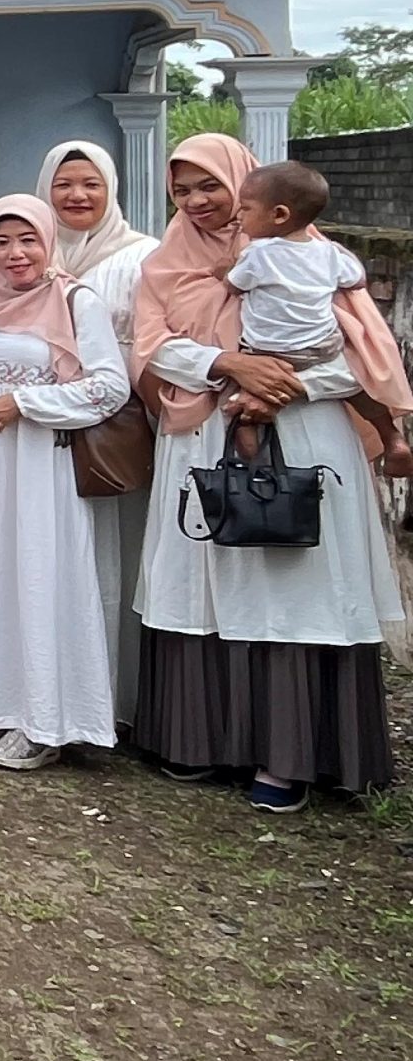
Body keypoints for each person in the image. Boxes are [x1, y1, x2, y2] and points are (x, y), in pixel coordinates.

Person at [133, 134, 412, 810]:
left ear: (250, 191)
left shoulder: (313, 260)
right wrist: (226, 364)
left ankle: (290, 757)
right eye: (183, 189)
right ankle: (201, 742)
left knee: (293, 587)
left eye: (211, 187)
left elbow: (365, 355)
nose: (198, 203)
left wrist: (289, 386)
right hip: (203, 438)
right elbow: (149, 348)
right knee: (206, 583)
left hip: (307, 442)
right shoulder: (166, 266)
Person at [0, 196, 129, 771]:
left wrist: (28, 403)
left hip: (39, 467)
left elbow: (111, 388)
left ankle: (46, 721)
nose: (15, 254)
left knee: (38, 579)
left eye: (27, 240)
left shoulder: (76, 302)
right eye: (2, 243)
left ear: (48, 241)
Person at [35, 138, 161, 731]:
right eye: (63, 185)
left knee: (113, 557)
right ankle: (50, 687)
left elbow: (154, 343)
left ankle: (116, 700)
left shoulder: (140, 257)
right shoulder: (26, 249)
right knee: (53, 561)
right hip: (39, 438)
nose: (76, 195)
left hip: (112, 431)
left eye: (90, 184)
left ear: (112, 189)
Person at [224, 160, 411, 468]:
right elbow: (357, 279)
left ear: (279, 214)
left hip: (268, 351)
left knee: (247, 399)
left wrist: (225, 270)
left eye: (245, 209)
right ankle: (391, 436)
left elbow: (233, 286)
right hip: (322, 346)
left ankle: (250, 455)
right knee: (357, 389)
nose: (238, 216)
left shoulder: (258, 253)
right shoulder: (329, 252)